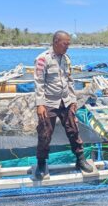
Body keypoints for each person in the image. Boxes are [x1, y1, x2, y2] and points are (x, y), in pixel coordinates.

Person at [34, 30, 93, 180]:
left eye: (68, 43)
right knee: (45, 133)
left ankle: (80, 159)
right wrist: (40, 104)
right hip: (49, 102)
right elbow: (39, 83)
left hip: (66, 101)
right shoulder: (42, 59)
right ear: (55, 42)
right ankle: (41, 163)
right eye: (65, 43)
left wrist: (73, 100)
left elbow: (69, 80)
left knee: (74, 130)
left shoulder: (66, 59)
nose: (67, 46)